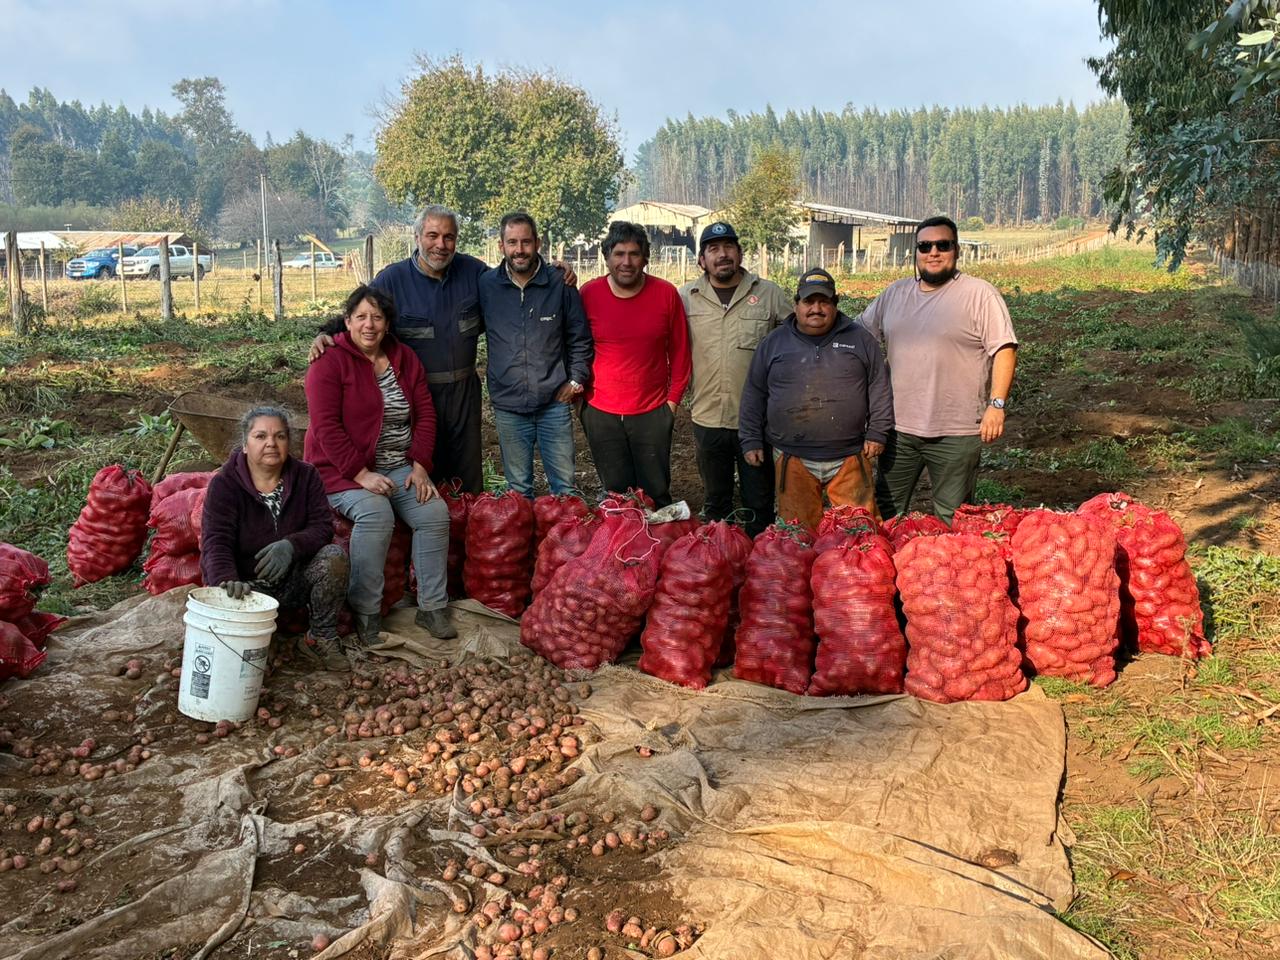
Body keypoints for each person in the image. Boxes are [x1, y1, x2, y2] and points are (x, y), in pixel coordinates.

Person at [309, 205, 577, 494]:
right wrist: (327, 333)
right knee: (421, 475)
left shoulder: (474, 273)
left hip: (464, 395)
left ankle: (468, 520)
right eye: (432, 236)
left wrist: (552, 271)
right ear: (417, 237)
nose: (441, 245)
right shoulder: (393, 280)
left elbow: (514, 280)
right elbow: (362, 313)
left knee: (467, 477)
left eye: (449, 237)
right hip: (415, 394)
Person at [304, 285, 455, 643]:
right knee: (376, 514)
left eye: (377, 317)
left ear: (387, 323)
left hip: (398, 465)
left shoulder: (405, 358)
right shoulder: (329, 362)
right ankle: (366, 612)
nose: (369, 325)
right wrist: (361, 474)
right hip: (339, 471)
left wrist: (420, 465)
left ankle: (432, 607)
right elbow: (326, 427)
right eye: (361, 317)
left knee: (434, 514)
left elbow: (426, 414)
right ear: (347, 322)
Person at [857, 215, 1018, 525]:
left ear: (956, 250)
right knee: (887, 512)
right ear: (916, 251)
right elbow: (859, 336)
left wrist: (996, 405)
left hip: (956, 432)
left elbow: (1004, 349)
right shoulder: (894, 294)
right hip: (898, 429)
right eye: (925, 246)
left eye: (942, 245)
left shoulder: (980, 294)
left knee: (952, 518)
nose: (933, 252)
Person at [739, 268, 894, 531]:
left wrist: (878, 432)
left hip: (850, 456)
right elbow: (754, 393)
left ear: (835, 304)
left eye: (824, 301)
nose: (816, 309)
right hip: (792, 457)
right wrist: (751, 438)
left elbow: (879, 387)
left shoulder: (860, 340)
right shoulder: (774, 342)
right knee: (798, 534)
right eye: (809, 301)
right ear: (796, 305)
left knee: (858, 533)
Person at [200, 406, 351, 671]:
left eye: (280, 436)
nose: (271, 443)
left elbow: (322, 527)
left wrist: (291, 546)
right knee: (247, 664)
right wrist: (227, 580)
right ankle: (259, 639)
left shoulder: (306, 476)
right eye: (260, 436)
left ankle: (320, 637)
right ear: (245, 444)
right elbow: (216, 540)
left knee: (334, 557)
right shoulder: (225, 484)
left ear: (288, 442)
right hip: (249, 588)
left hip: (293, 581)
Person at [679, 221, 792, 536]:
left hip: (756, 422)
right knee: (716, 503)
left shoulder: (769, 294)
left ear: (740, 253)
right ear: (702, 260)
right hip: (707, 417)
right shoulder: (686, 297)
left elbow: (796, 342)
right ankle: (721, 556)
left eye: (729, 247)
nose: (722, 254)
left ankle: (760, 557)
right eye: (713, 249)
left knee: (759, 502)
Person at [478, 211, 593, 497]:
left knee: (564, 489)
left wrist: (576, 380)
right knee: (518, 491)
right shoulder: (486, 286)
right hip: (508, 406)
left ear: (538, 243)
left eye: (526, 242)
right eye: (512, 242)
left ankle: (561, 527)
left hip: (554, 403)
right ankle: (524, 527)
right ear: (501, 246)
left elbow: (580, 338)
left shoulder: (560, 283)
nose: (519, 250)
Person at [578, 221, 692, 507]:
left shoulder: (665, 294)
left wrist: (671, 405)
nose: (626, 262)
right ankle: (622, 535)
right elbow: (574, 346)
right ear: (607, 257)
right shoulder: (588, 294)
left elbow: (680, 352)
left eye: (634, 254)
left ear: (645, 258)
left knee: (656, 492)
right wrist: (581, 405)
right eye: (619, 254)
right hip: (600, 411)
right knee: (616, 495)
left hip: (652, 411)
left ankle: (659, 534)